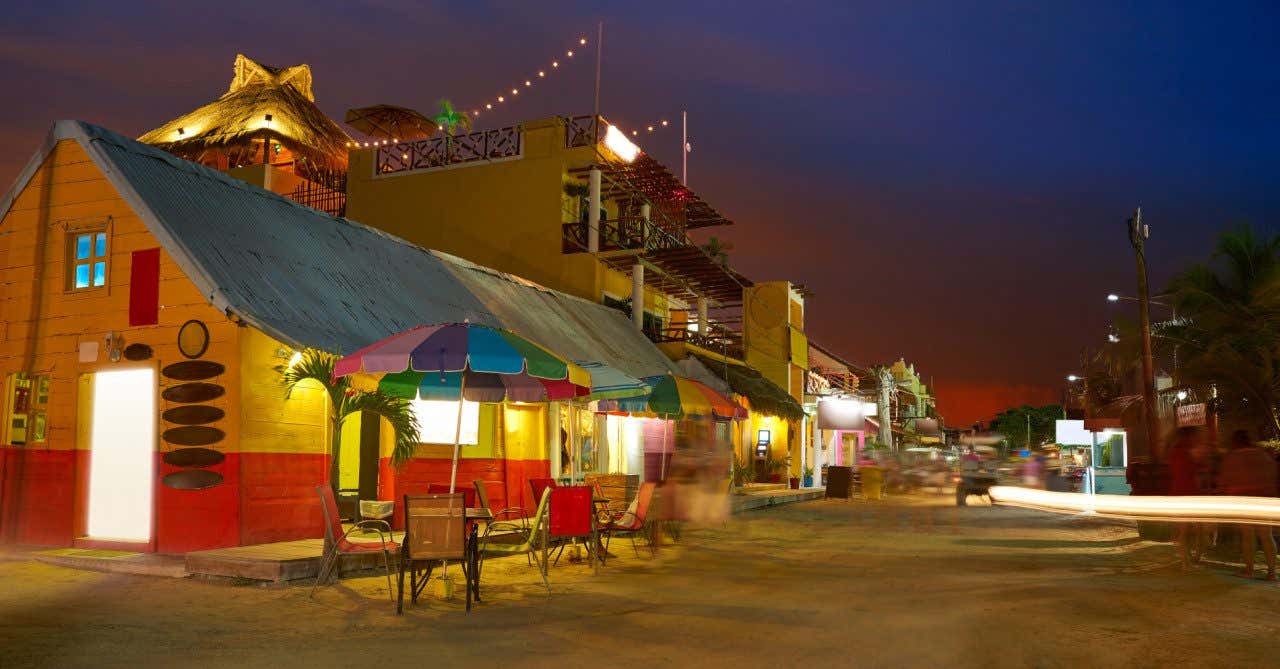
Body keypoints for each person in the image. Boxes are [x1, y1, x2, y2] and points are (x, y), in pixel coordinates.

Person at [1219, 430, 1278, 580]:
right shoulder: (1262, 456)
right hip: (1262, 499)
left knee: (1247, 537)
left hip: (1243, 501)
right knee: (1267, 536)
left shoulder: (1233, 458)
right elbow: (1272, 476)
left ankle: (1249, 570)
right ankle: (1272, 572)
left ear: (1235, 442)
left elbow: (1225, 480)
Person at [1167, 426, 1205, 570]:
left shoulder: (1176, 451)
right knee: (1189, 530)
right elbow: (1195, 473)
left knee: (1185, 530)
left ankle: (1187, 560)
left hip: (1180, 493)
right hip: (1189, 494)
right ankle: (1187, 561)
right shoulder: (1186, 452)